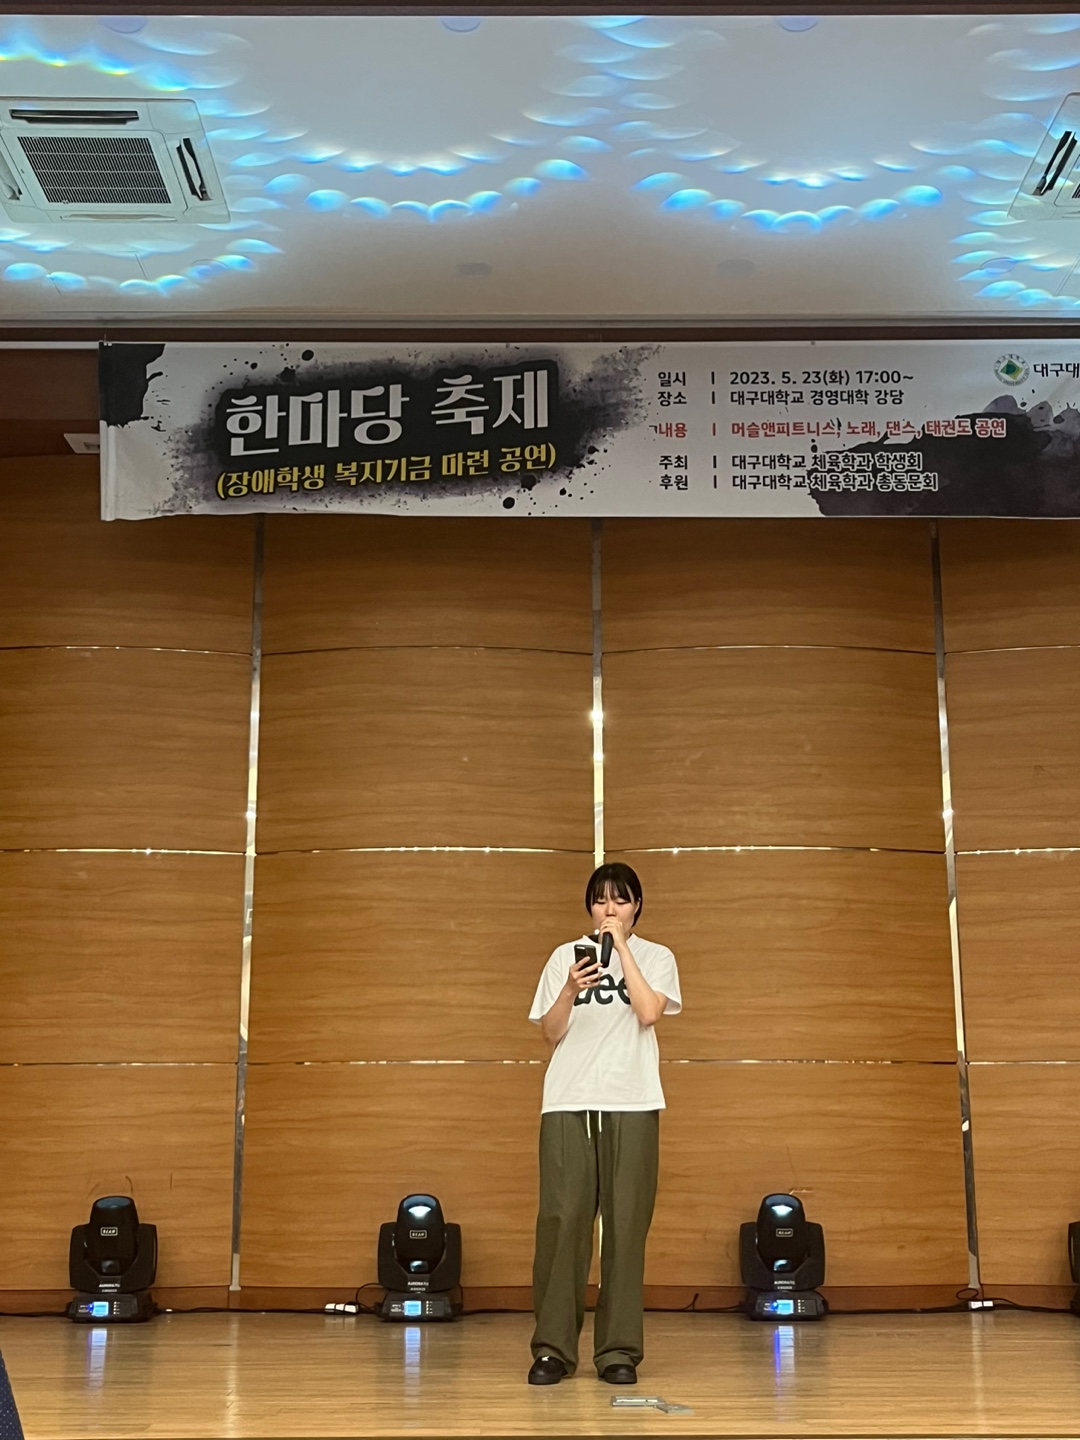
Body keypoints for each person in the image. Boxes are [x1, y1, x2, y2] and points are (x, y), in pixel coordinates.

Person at [526, 862, 682, 1387]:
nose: (609, 909)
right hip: (568, 1100)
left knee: (625, 1225)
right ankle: (552, 1350)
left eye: (620, 899)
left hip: (632, 1100)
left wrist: (623, 951)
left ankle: (618, 1351)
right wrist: (569, 989)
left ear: (637, 906)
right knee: (563, 1220)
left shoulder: (658, 957)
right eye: (600, 900)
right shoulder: (563, 957)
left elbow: (649, 1013)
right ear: (589, 907)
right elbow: (550, 1033)